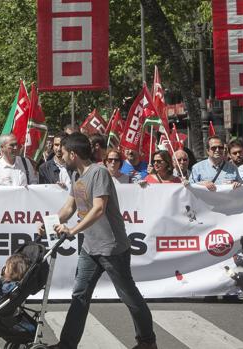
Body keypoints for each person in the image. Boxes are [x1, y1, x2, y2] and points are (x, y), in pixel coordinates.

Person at [43, 132, 156, 349]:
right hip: (90, 248)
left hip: (112, 248)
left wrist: (73, 230)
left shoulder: (99, 173)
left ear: (73, 154)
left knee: (128, 295)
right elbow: (69, 207)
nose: (61, 154)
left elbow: (98, 209)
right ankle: (67, 344)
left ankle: (147, 342)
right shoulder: (76, 176)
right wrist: (49, 223)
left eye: (64, 152)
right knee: (80, 294)